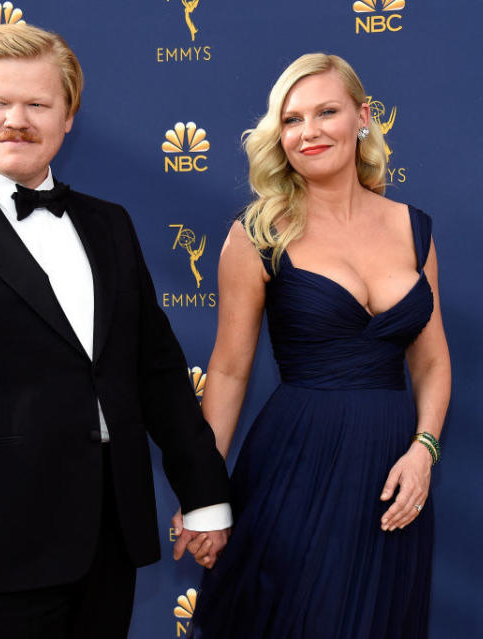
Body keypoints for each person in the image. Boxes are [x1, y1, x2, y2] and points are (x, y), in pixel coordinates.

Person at [0, 23, 231, 639]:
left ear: (69, 116)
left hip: (109, 544)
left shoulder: (110, 225)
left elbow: (157, 373)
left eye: (37, 104)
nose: (16, 120)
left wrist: (205, 495)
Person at [183, 53, 452, 638]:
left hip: (391, 476)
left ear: (363, 117)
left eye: (326, 112)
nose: (308, 132)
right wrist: (203, 494)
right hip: (296, 463)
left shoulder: (414, 228)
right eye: (291, 119)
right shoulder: (255, 235)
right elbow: (228, 373)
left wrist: (423, 450)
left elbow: (431, 361)